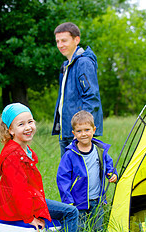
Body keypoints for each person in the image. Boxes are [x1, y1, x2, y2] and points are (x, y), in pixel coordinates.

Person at [0, 103, 86, 232]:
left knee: (61, 214)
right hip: (18, 206)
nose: (28, 127)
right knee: (71, 213)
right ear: (10, 130)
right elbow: (18, 191)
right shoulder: (14, 155)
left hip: (30, 200)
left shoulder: (24, 149)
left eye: (30, 121)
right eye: (21, 124)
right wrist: (29, 217)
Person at [56, 110, 117, 232]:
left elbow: (108, 164)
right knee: (80, 230)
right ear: (73, 133)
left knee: (98, 229)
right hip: (78, 201)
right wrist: (68, 200)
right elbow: (62, 179)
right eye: (79, 131)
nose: (83, 134)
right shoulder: (70, 155)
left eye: (87, 130)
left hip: (97, 198)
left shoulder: (100, 150)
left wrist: (112, 173)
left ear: (94, 130)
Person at [52, 22, 103, 157]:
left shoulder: (83, 63)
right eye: (57, 41)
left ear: (76, 40)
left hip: (80, 134)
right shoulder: (66, 66)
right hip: (67, 131)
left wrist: (81, 130)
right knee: (68, 174)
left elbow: (91, 97)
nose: (60, 45)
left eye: (64, 40)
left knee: (83, 175)